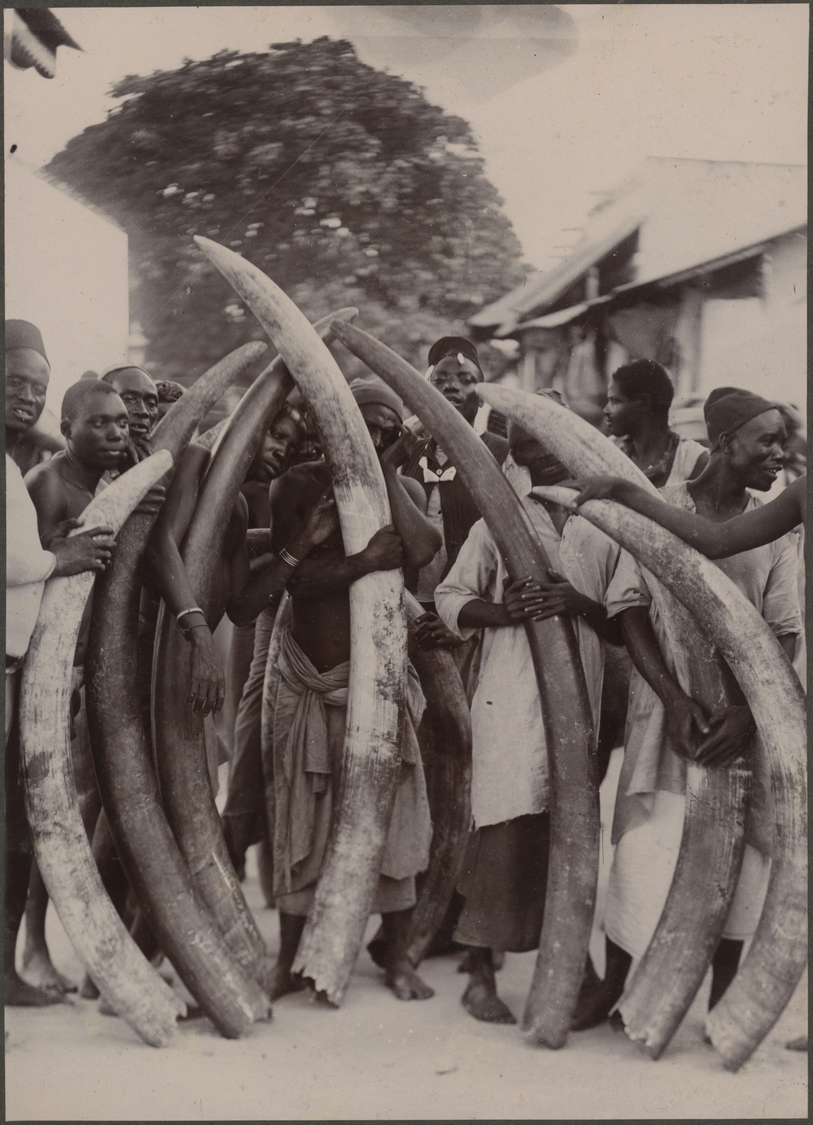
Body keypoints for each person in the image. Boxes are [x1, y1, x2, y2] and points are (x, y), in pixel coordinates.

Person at [573, 387, 802, 1031]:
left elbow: (785, 628)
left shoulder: (779, 521)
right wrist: (674, 700)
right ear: (724, 443)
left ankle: (722, 1002)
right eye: (767, 441)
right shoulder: (667, 514)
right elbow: (629, 612)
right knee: (646, 855)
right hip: (669, 718)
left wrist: (750, 713)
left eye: (784, 441)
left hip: (749, 719)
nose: (780, 454)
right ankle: (618, 989)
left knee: (748, 864)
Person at [434, 401, 622, 1024]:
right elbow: (450, 596)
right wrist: (503, 612)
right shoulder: (498, 523)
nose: (530, 455)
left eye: (541, 443)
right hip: (511, 695)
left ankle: (574, 966)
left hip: (580, 702)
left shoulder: (605, 523)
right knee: (503, 825)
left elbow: (627, 617)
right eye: (519, 446)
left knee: (565, 829)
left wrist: (579, 602)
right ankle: (480, 974)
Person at [264, 377, 442, 1002]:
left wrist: (388, 473)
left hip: (380, 682)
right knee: (303, 815)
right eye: (365, 424)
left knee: (394, 817)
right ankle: (289, 957)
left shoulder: (407, 490)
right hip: (314, 679)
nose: (379, 435)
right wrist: (363, 562)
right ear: (335, 426)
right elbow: (299, 582)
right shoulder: (300, 485)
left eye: (390, 428)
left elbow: (421, 549)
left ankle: (395, 958)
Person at [5, 322, 115, 1005]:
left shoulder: (16, 463)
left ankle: (5, 971)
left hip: (15, 672)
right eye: (14, 381)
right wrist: (59, 559)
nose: (25, 396)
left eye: (35, 387)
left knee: (16, 826)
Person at [604, 359, 708, 487]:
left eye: (615, 401)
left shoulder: (693, 460)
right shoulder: (607, 450)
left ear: (644, 402)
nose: (606, 410)